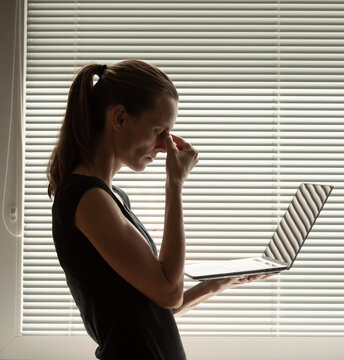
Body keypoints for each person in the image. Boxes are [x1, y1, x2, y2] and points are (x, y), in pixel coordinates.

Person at [47, 59, 271, 360]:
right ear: (120, 118)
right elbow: (169, 291)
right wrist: (174, 184)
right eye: (158, 131)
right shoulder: (87, 197)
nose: (165, 146)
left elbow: (159, 305)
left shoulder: (113, 197)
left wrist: (222, 281)